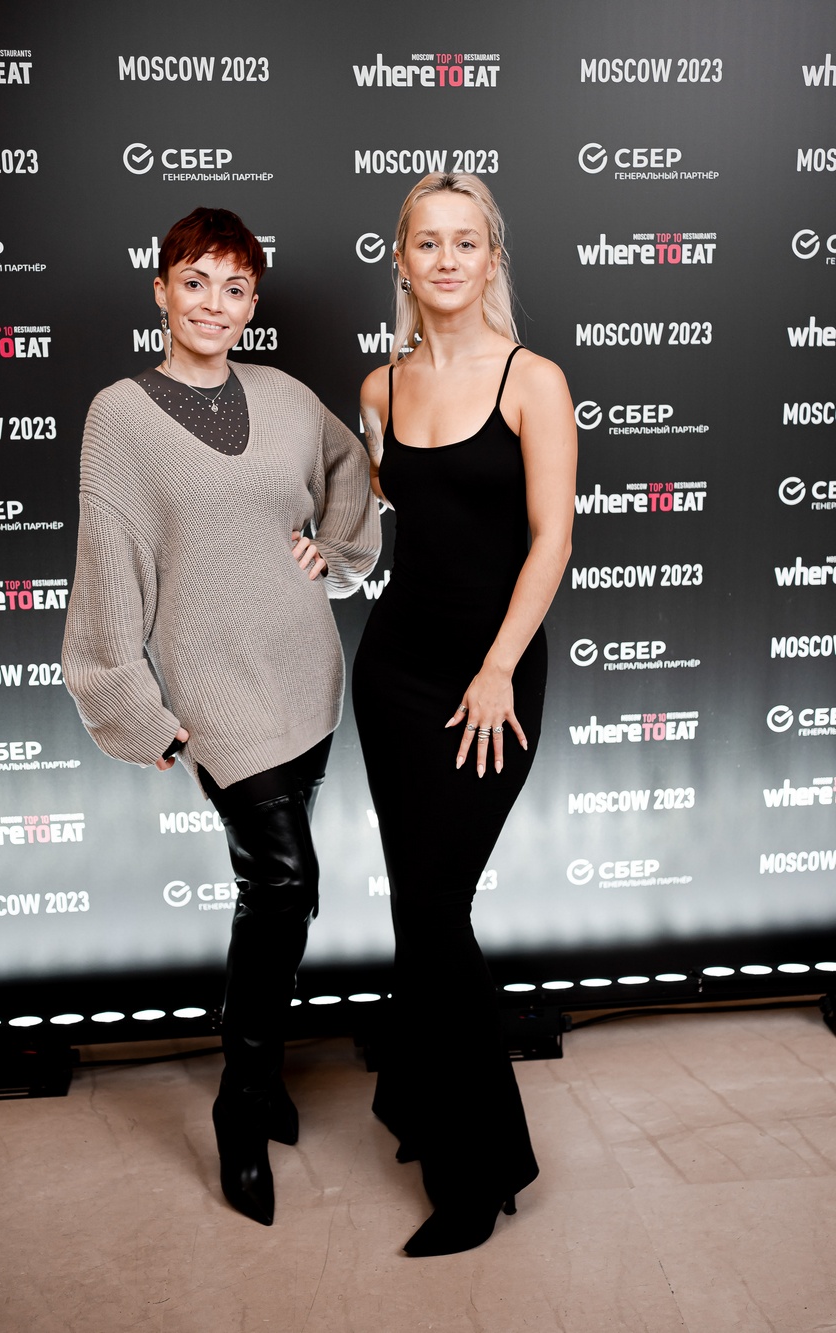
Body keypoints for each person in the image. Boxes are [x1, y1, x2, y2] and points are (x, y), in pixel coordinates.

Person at [62, 207, 380, 1228]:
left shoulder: (284, 396)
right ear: (160, 289)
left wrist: (336, 549)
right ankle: (242, 1106)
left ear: (252, 303)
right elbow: (108, 564)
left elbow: (351, 469)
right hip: (215, 686)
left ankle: (265, 1077)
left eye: (235, 287)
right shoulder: (119, 416)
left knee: (279, 893)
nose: (214, 304)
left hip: (305, 671)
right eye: (195, 281)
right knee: (285, 883)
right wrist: (130, 700)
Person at [352, 173, 577, 1257]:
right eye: (428, 242)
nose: (447, 260)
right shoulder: (380, 387)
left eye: (466, 242)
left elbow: (552, 539)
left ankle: (480, 1170)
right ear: (401, 259)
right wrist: (319, 544)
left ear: (492, 259)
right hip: (394, 672)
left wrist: (496, 667)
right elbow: (372, 523)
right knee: (416, 904)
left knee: (438, 908)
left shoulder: (535, 380)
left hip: (492, 678)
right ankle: (415, 1096)